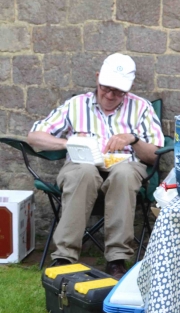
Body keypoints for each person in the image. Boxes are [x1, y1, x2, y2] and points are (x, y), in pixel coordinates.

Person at [28, 53, 164, 279]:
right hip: (81, 166)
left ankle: (117, 258)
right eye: (105, 88)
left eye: (118, 91)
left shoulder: (142, 108)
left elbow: (154, 156)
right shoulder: (76, 105)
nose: (110, 95)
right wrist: (68, 142)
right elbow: (34, 136)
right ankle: (64, 257)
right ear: (97, 77)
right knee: (83, 172)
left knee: (124, 174)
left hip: (126, 166)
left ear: (128, 89)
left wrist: (133, 139)